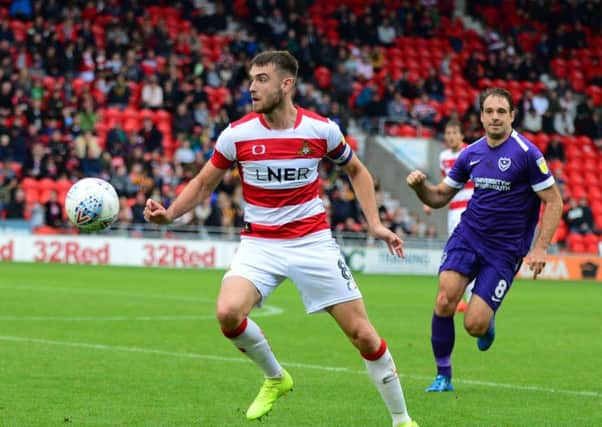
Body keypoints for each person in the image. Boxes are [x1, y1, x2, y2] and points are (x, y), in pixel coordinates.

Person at [144, 51, 419, 427]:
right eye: (251, 79)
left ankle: (402, 420)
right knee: (227, 313)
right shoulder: (237, 134)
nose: (252, 87)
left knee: (364, 336)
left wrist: (374, 223)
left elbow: (357, 170)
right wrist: (171, 213)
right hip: (259, 245)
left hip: (312, 243)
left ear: (286, 84)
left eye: (261, 79)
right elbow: (205, 181)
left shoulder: (321, 130)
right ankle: (276, 377)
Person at [406, 87, 563, 393]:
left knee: (473, 325)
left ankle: (486, 320)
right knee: (444, 299)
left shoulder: (528, 154)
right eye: (489, 111)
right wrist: (420, 189)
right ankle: (443, 375)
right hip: (468, 235)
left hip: (505, 249)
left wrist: (541, 246)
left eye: (501, 112)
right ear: (480, 116)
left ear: (512, 116)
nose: (495, 117)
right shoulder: (470, 153)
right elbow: (439, 197)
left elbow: (554, 201)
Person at [425, 120, 475, 313]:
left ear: (462, 135)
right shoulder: (443, 156)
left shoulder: (470, 152)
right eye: (448, 132)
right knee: (456, 253)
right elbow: (446, 183)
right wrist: (429, 200)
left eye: (455, 132)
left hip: (470, 209)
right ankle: (459, 298)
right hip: (453, 211)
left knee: (471, 252)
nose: (451, 136)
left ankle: (472, 299)